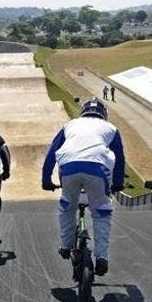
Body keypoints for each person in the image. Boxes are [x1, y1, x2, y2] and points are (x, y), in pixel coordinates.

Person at [41, 97, 125, 276]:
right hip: (97, 168)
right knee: (102, 211)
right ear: (104, 114)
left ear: (83, 112)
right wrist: (117, 184)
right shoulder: (111, 128)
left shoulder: (70, 125)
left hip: (68, 167)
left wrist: (46, 180)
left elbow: (51, 153)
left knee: (67, 206)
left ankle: (65, 245)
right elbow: (119, 159)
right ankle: (101, 257)